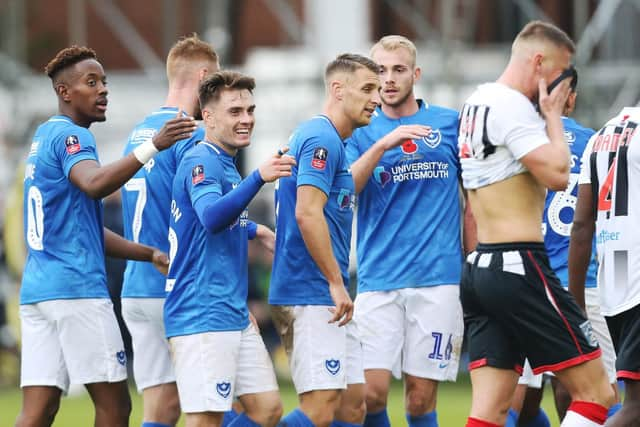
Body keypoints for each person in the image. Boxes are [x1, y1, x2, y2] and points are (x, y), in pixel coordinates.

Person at [17, 46, 196, 427]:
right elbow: (95, 184)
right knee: (116, 407)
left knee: (37, 412)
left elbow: (82, 230)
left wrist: (147, 252)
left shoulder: (43, 135)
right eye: (91, 82)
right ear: (64, 92)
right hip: (77, 291)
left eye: (104, 82)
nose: (103, 90)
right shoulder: (72, 138)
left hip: (38, 292)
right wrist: (153, 146)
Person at [457, 21, 615, 427]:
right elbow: (559, 173)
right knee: (597, 391)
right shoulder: (511, 105)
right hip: (518, 263)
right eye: (561, 73)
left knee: (490, 409)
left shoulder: (476, 101)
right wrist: (553, 115)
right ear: (539, 62)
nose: (562, 85)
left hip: (480, 268)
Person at [344, 35, 466, 427]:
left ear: (415, 74)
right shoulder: (361, 129)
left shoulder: (450, 124)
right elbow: (347, 188)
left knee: (419, 400)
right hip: (379, 279)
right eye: (380, 70)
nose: (389, 79)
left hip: (438, 281)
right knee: (368, 394)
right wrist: (385, 143)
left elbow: (474, 200)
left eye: (398, 70)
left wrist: (476, 266)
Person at [165, 70, 294, 427]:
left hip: (229, 308)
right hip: (201, 309)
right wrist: (259, 178)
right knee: (206, 418)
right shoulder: (201, 160)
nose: (247, 119)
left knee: (267, 410)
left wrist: (256, 230)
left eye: (250, 110)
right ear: (208, 117)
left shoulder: (224, 162)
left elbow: (206, 218)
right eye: (235, 111)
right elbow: (209, 216)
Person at [269, 53, 380, 427]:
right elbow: (307, 212)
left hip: (322, 290)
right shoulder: (321, 137)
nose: (376, 98)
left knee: (352, 406)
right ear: (337, 89)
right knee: (320, 407)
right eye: (367, 88)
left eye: (378, 90)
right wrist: (335, 281)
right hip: (310, 290)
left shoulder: (335, 141)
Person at [506, 76, 621, 427]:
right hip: (580, 282)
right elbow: (602, 217)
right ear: (570, 100)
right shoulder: (595, 142)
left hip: (522, 278)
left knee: (517, 400)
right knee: (597, 392)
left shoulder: (515, 143)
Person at [120, 34, 219, 427]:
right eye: (215, 82)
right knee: (233, 402)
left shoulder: (140, 131)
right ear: (202, 75)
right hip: (175, 285)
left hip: (136, 289)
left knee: (162, 408)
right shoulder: (190, 133)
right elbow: (208, 211)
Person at [569, 104, 640, 426]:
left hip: (615, 276)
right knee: (636, 407)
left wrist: (576, 301)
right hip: (638, 275)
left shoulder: (600, 136)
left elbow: (582, 225)